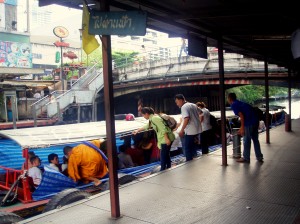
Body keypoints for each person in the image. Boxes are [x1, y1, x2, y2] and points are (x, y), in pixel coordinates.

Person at [227, 93, 264, 163]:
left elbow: (241, 116)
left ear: (229, 99)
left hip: (249, 123)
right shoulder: (240, 102)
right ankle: (259, 157)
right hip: (255, 121)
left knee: (246, 140)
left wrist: (242, 127)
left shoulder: (234, 104)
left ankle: (246, 158)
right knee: (255, 140)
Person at [174, 94, 202, 161]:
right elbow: (201, 112)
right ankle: (195, 160)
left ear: (181, 100)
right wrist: (197, 121)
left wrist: (182, 130)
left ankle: (189, 163)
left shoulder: (184, 107)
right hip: (197, 130)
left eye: (177, 102)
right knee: (193, 147)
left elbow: (186, 118)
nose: (177, 104)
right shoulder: (193, 105)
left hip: (190, 131)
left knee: (187, 148)